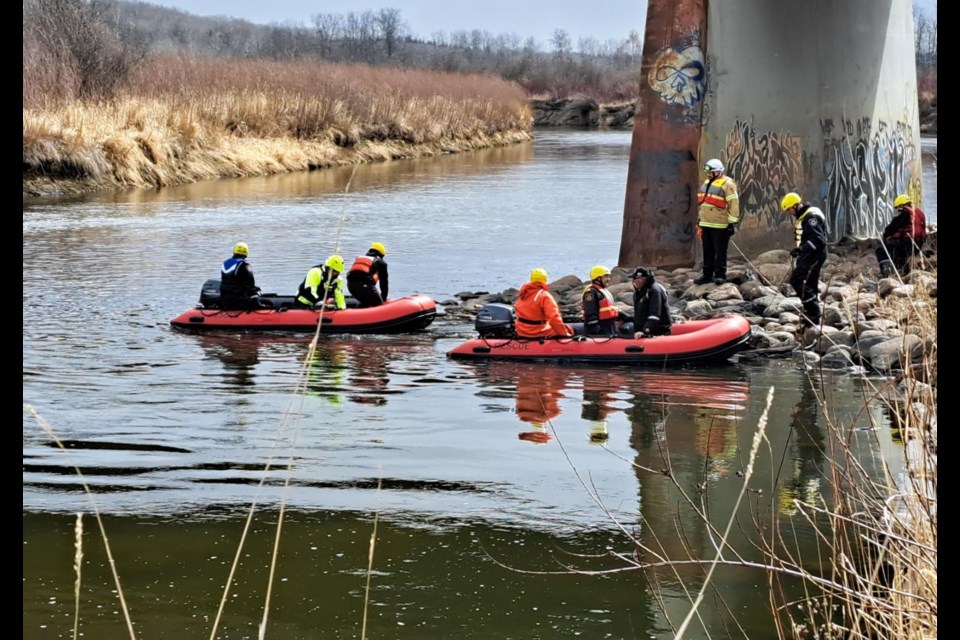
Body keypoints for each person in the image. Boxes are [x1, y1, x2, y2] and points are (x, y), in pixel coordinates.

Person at [780, 192, 828, 328]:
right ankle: (813, 314)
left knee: (797, 280)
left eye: (789, 209)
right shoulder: (805, 215)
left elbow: (818, 240)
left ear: (796, 205)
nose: (789, 212)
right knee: (810, 283)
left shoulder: (810, 217)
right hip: (809, 254)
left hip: (815, 255)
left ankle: (813, 311)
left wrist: (801, 249)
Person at [695, 158, 741, 285]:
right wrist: (700, 221)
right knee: (707, 250)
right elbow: (703, 204)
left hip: (720, 224)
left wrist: (732, 223)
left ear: (719, 172)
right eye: (708, 173)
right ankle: (707, 274)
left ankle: (720, 274)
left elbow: (733, 203)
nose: (709, 175)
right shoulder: (706, 183)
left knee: (720, 251)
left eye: (711, 172)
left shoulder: (728, 184)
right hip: (705, 223)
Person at [876, 194, 928, 277]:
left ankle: (887, 274)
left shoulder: (905, 213)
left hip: (908, 242)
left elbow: (892, 228)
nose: (898, 211)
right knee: (898, 252)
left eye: (898, 208)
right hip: (918, 244)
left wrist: (885, 235)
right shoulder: (919, 213)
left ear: (901, 205)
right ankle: (903, 272)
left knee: (881, 251)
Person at [513, 268, 575, 339]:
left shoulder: (523, 294)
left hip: (521, 331)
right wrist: (564, 333)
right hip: (537, 331)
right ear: (545, 280)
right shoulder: (544, 296)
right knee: (569, 329)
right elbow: (554, 318)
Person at [581, 265, 630, 337]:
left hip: (609, 328)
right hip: (600, 332)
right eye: (606, 276)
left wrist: (627, 317)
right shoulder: (591, 293)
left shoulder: (602, 291)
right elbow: (590, 312)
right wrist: (597, 330)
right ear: (598, 278)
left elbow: (611, 309)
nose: (609, 279)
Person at [219, 242, 270, 310]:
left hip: (225, 301)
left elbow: (231, 282)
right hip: (238, 302)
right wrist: (255, 299)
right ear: (246, 252)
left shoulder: (225, 264)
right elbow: (250, 285)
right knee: (268, 303)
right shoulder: (244, 265)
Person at [628, 267, 672, 338]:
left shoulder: (654, 291)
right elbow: (641, 314)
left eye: (634, 279)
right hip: (646, 329)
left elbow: (654, 315)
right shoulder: (642, 291)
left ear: (641, 279)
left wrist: (645, 331)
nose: (633, 281)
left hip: (657, 332)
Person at [346, 241, 389, 307]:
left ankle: (356, 314)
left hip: (350, 286)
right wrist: (383, 299)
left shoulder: (360, 258)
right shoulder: (381, 262)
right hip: (365, 286)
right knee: (379, 305)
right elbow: (384, 283)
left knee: (365, 302)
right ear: (381, 254)